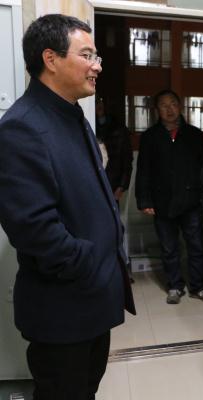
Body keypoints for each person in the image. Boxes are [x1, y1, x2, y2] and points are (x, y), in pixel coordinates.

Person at [0, 14, 135, 399]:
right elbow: (33, 229)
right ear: (51, 59)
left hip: (90, 301)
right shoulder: (23, 126)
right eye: (87, 55)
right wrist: (88, 264)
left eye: (97, 57)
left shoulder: (72, 115)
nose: (97, 66)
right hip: (64, 308)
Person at [135, 89, 203, 305]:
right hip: (162, 201)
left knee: (196, 246)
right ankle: (175, 286)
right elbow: (143, 170)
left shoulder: (194, 134)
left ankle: (199, 286)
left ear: (179, 106)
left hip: (191, 200)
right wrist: (144, 200)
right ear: (157, 110)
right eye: (164, 105)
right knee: (169, 248)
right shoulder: (150, 137)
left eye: (173, 104)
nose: (169, 109)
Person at [95, 97, 133, 202]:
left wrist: (122, 185)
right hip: (92, 182)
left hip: (113, 183)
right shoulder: (87, 126)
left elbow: (127, 158)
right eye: (96, 102)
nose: (99, 105)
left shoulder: (119, 127)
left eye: (101, 101)